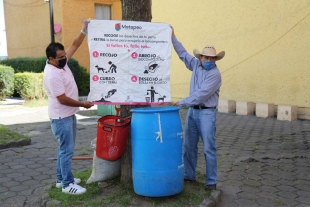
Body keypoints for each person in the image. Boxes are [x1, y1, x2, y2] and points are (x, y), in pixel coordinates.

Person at [171, 26, 225, 191]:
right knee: (189, 145)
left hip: (207, 113)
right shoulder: (195, 65)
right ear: (201, 58)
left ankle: (211, 181)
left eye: (212, 58)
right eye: (206, 57)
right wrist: (173, 36)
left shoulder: (215, 75)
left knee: (209, 147)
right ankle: (189, 175)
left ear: (215, 60)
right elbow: (182, 53)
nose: (209, 60)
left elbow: (202, 95)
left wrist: (182, 102)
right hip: (193, 112)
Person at [43, 20, 94, 195]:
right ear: (51, 59)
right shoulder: (52, 74)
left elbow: (75, 44)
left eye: (65, 55)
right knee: (67, 150)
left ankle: (60, 178)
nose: (65, 58)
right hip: (61, 117)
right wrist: (83, 104)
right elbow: (63, 99)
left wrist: (84, 30)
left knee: (64, 149)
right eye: (61, 57)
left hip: (68, 115)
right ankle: (67, 184)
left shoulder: (60, 63)